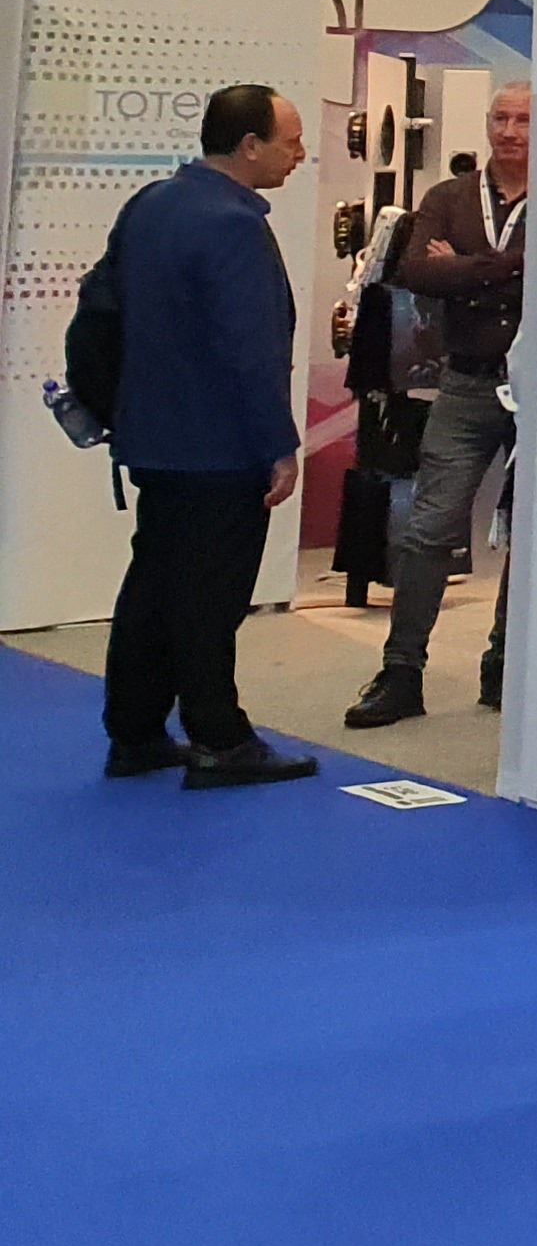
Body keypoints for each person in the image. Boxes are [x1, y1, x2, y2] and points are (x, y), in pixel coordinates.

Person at [95, 86, 319, 790]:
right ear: (249, 146)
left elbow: (101, 306)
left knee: (153, 587)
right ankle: (220, 737)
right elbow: (251, 350)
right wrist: (277, 444)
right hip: (218, 447)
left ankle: (134, 732)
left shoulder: (152, 205)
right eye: (290, 140)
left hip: (153, 436)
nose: (300, 153)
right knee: (209, 601)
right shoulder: (233, 227)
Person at [350, 84, 530, 727]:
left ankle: (505, 664)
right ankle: (401, 671)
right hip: (467, 381)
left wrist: (467, 267)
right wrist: (507, 267)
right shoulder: (449, 197)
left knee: (528, 533)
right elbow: (417, 273)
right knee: (429, 528)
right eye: (500, 118)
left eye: (524, 120)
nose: (509, 131)